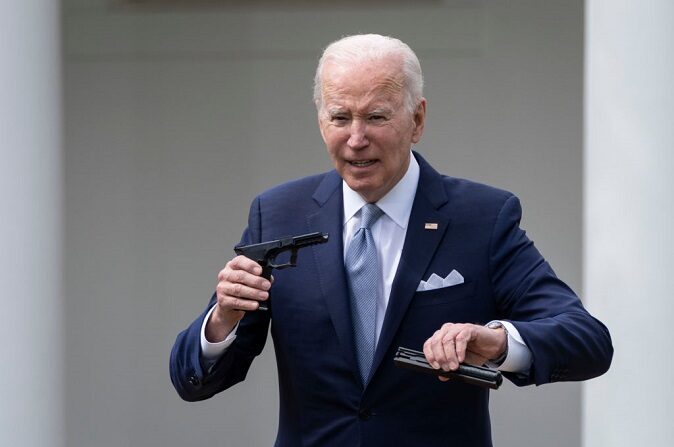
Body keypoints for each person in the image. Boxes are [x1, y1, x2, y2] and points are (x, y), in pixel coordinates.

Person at [170, 34, 612, 446]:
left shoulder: (480, 218)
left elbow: (586, 340)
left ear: (417, 119)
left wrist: (496, 342)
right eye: (340, 117)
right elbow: (195, 379)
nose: (356, 139)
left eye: (376, 117)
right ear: (320, 120)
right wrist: (222, 319)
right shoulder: (278, 214)